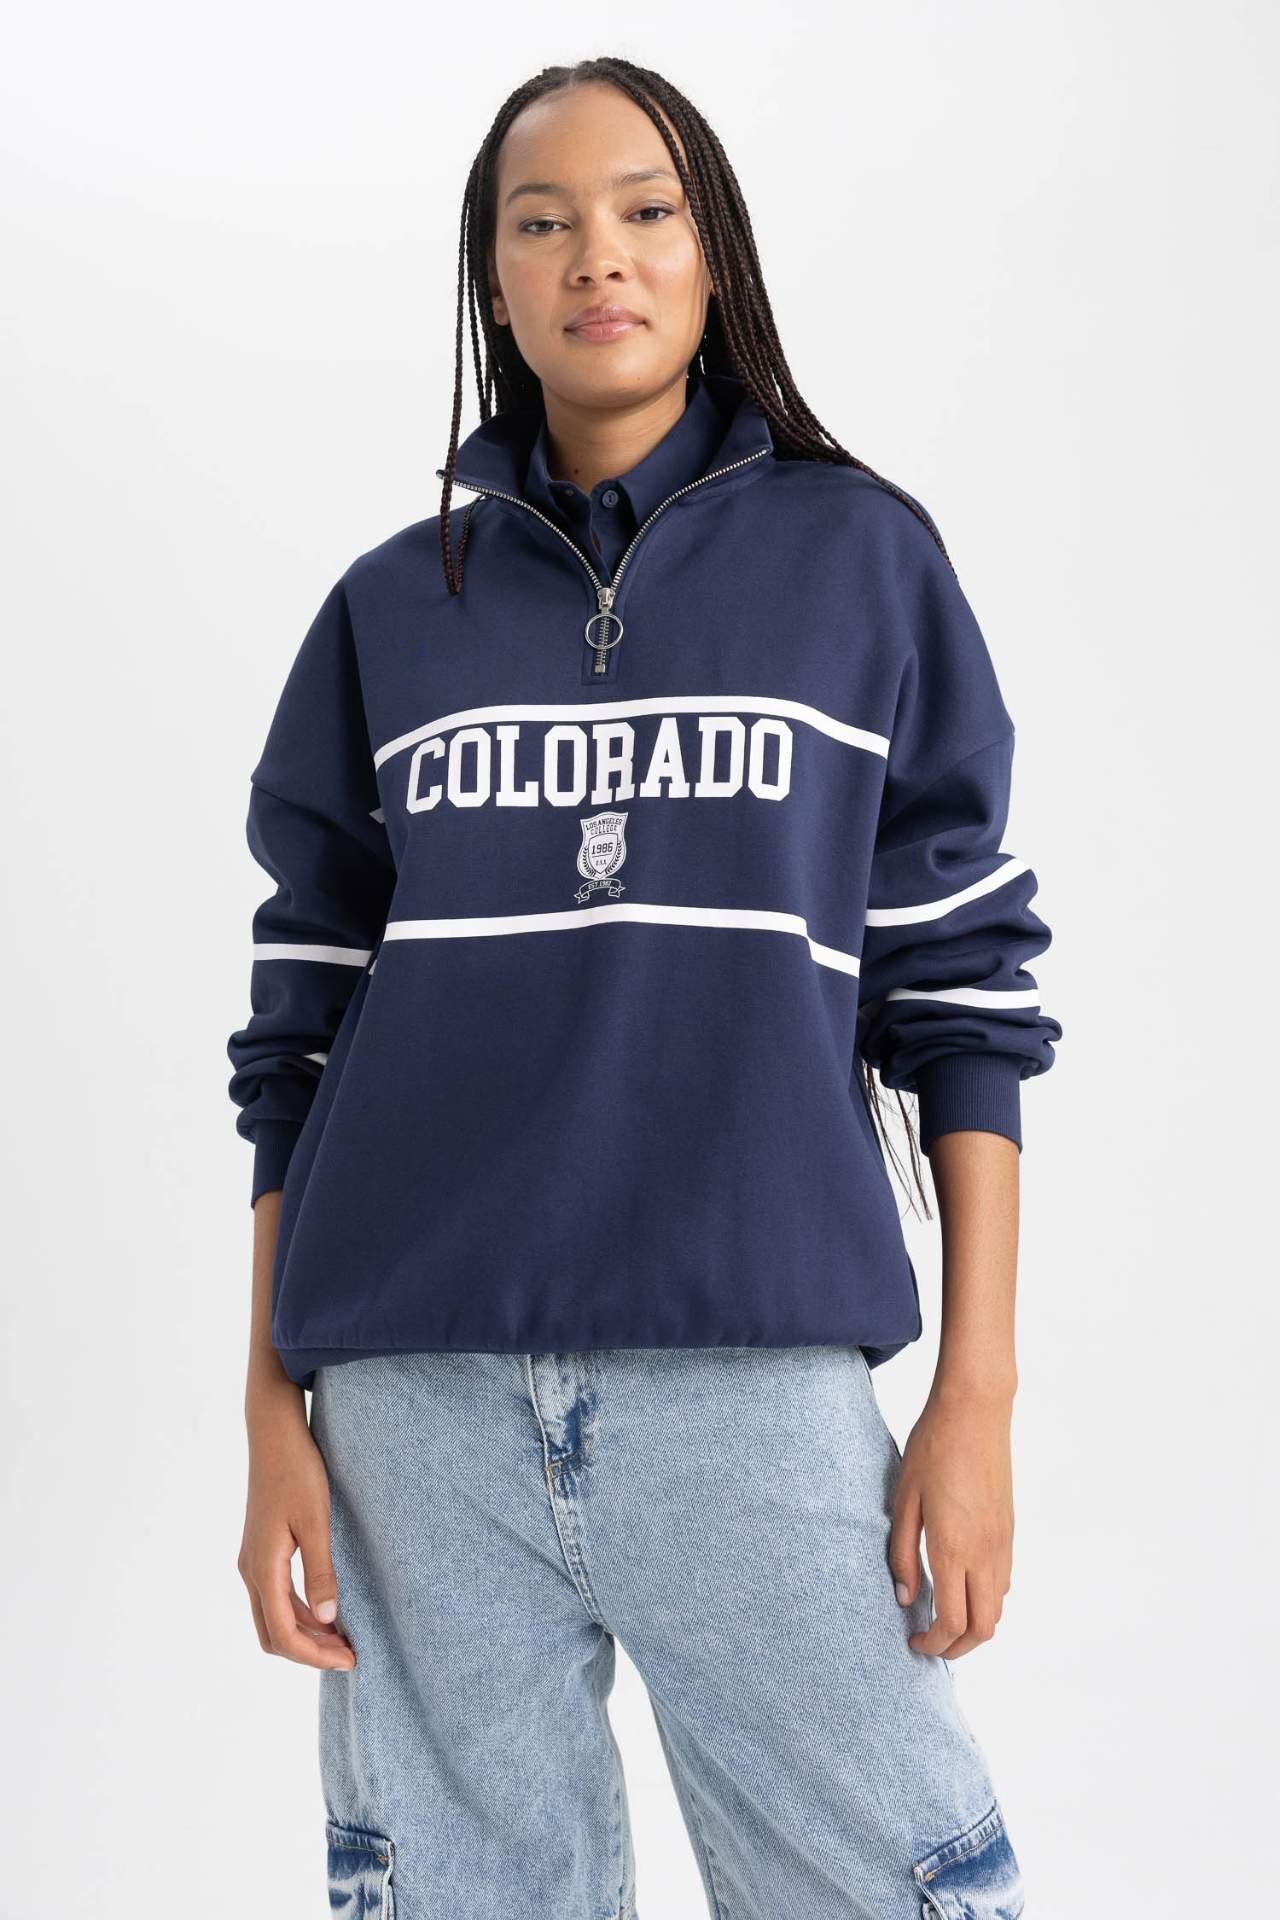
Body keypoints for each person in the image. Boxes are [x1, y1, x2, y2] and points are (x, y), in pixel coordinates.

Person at [229, 54, 1060, 1920]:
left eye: (645, 209)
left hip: (746, 1380)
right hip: (412, 1408)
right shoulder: (390, 610)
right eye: (543, 222)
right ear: (495, 279)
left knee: (899, 1883)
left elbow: (961, 995)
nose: (596, 253)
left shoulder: (862, 561)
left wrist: (977, 1395)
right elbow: (299, 1036)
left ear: (713, 253)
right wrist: (271, 1407)